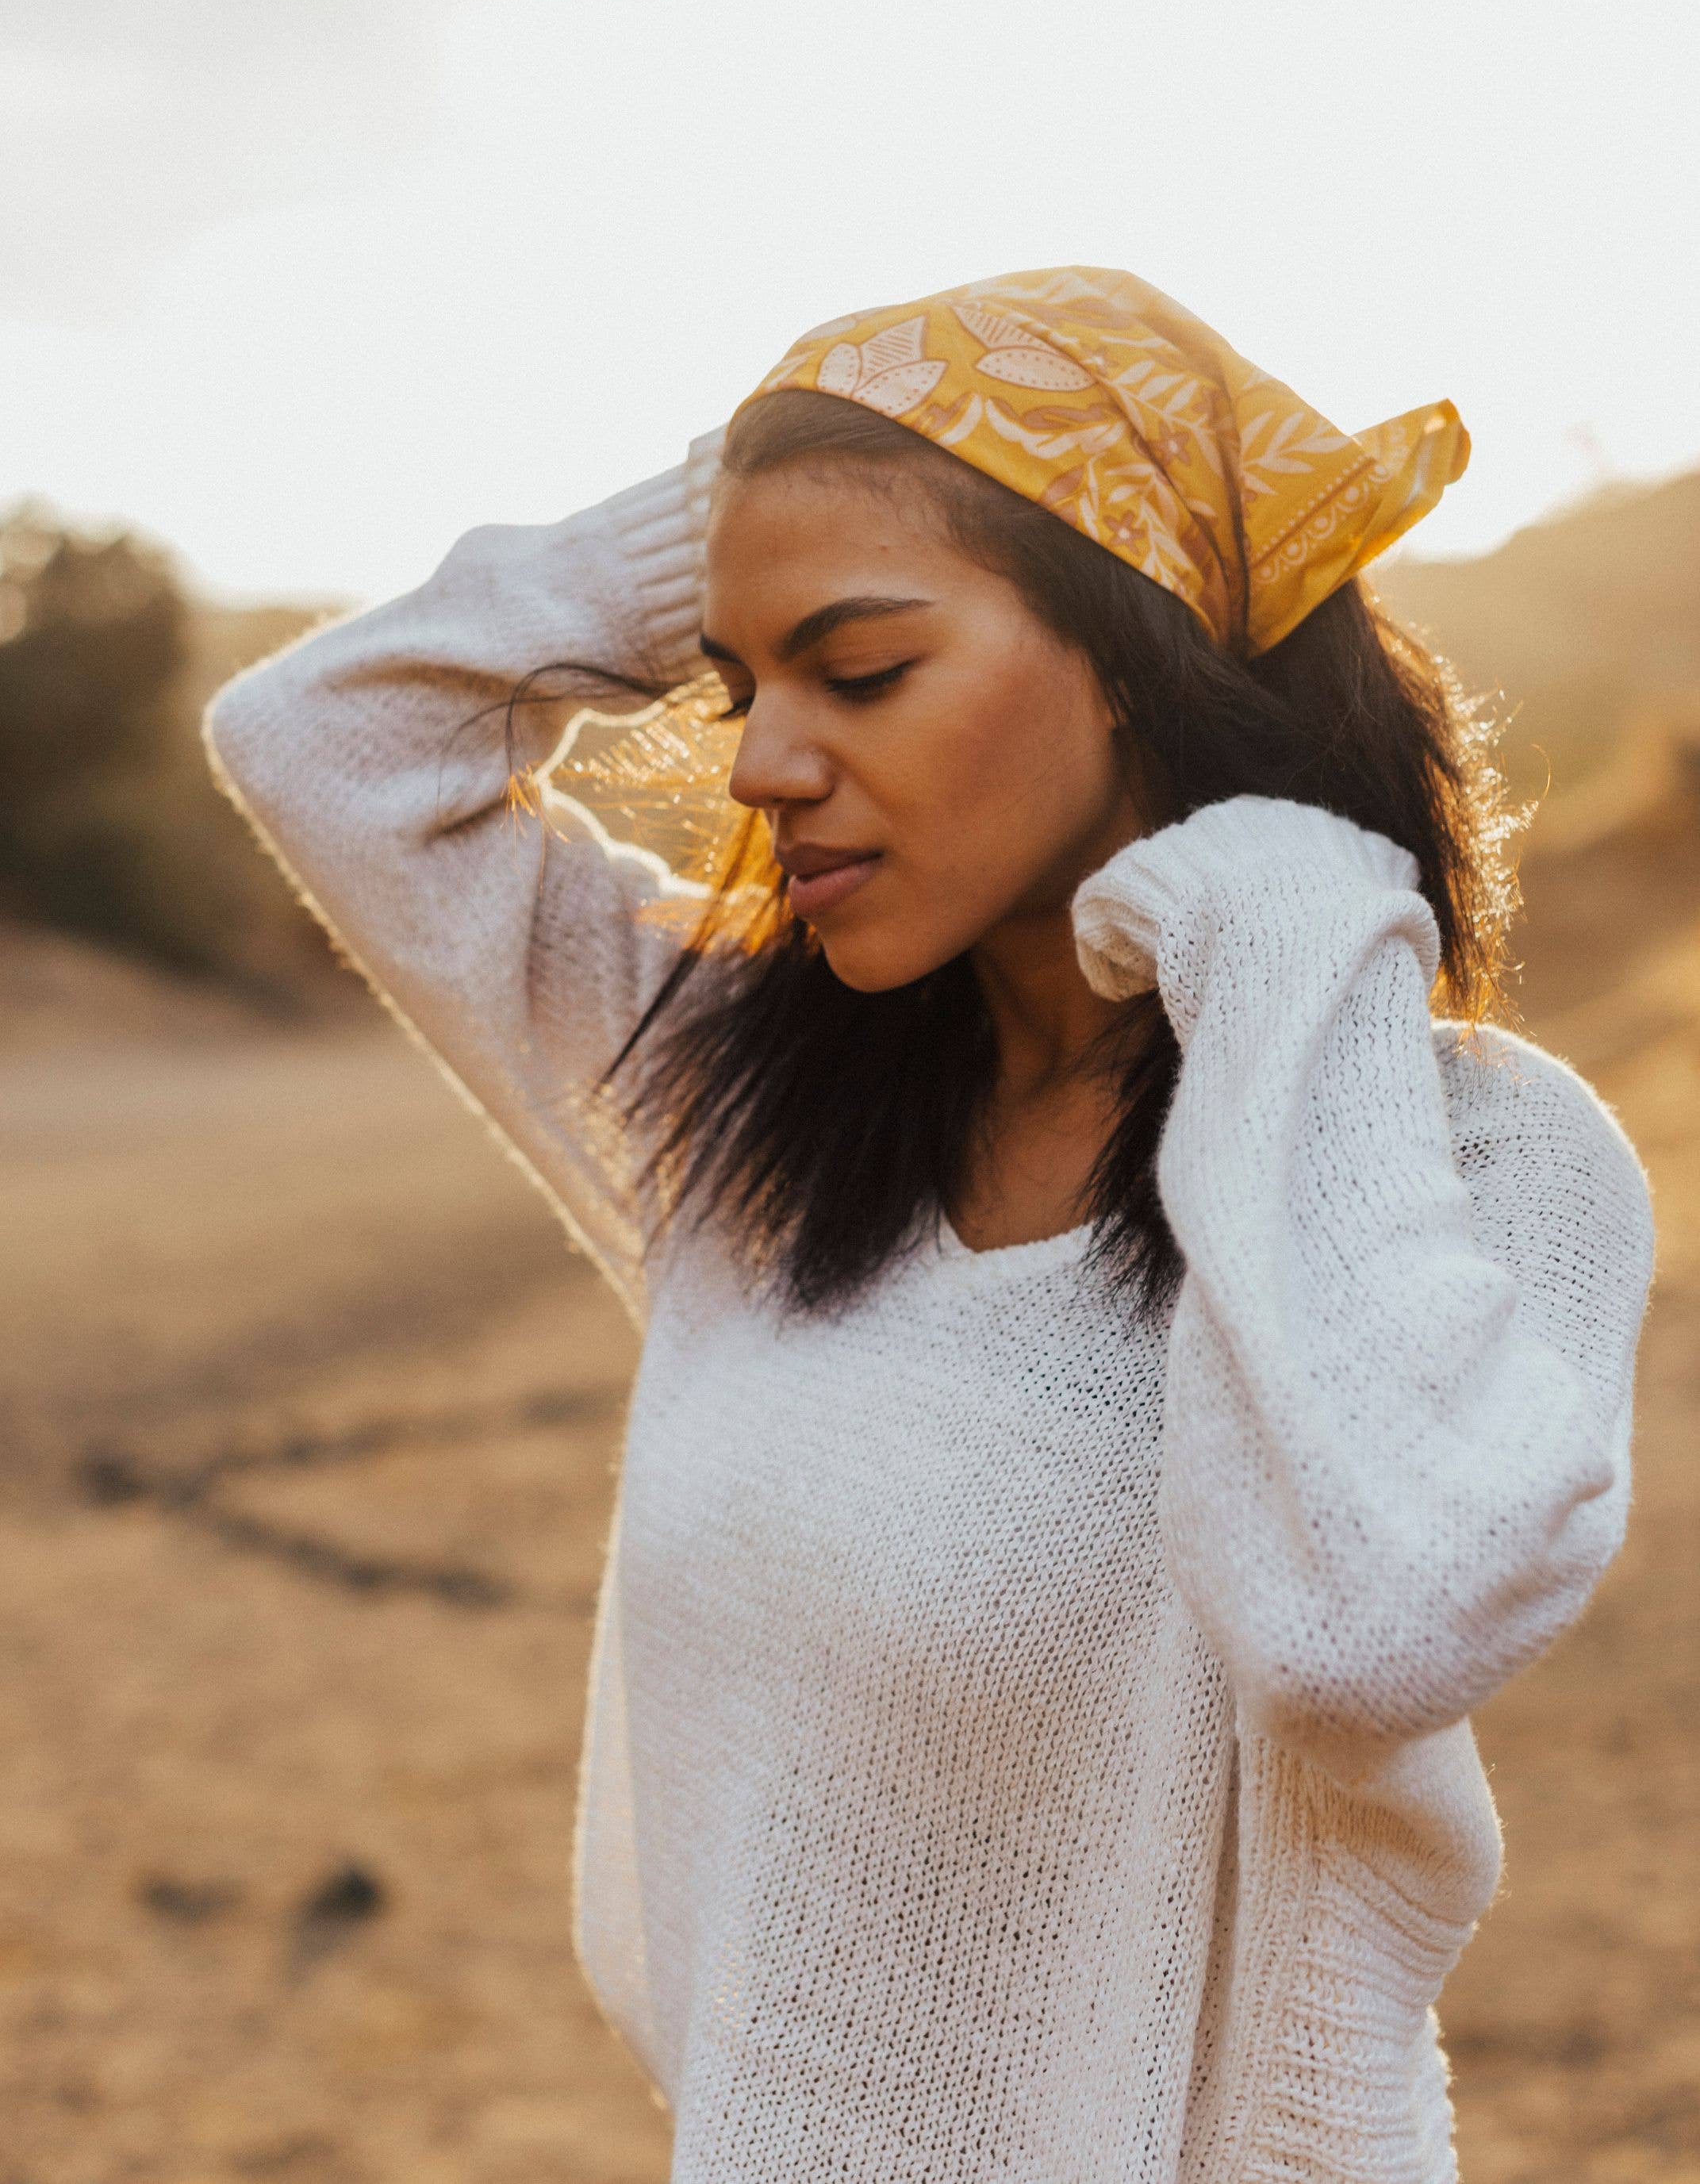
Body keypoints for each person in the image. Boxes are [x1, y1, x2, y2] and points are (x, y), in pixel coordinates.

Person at [205, 267, 1654, 2183]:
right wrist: (754, 502)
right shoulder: (743, 1105)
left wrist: (1287, 928)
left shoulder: (1469, 1155)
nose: (757, 762)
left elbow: (1361, 1627)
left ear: (1141, 653)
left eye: (860, 670)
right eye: (741, 684)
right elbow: (325, 742)